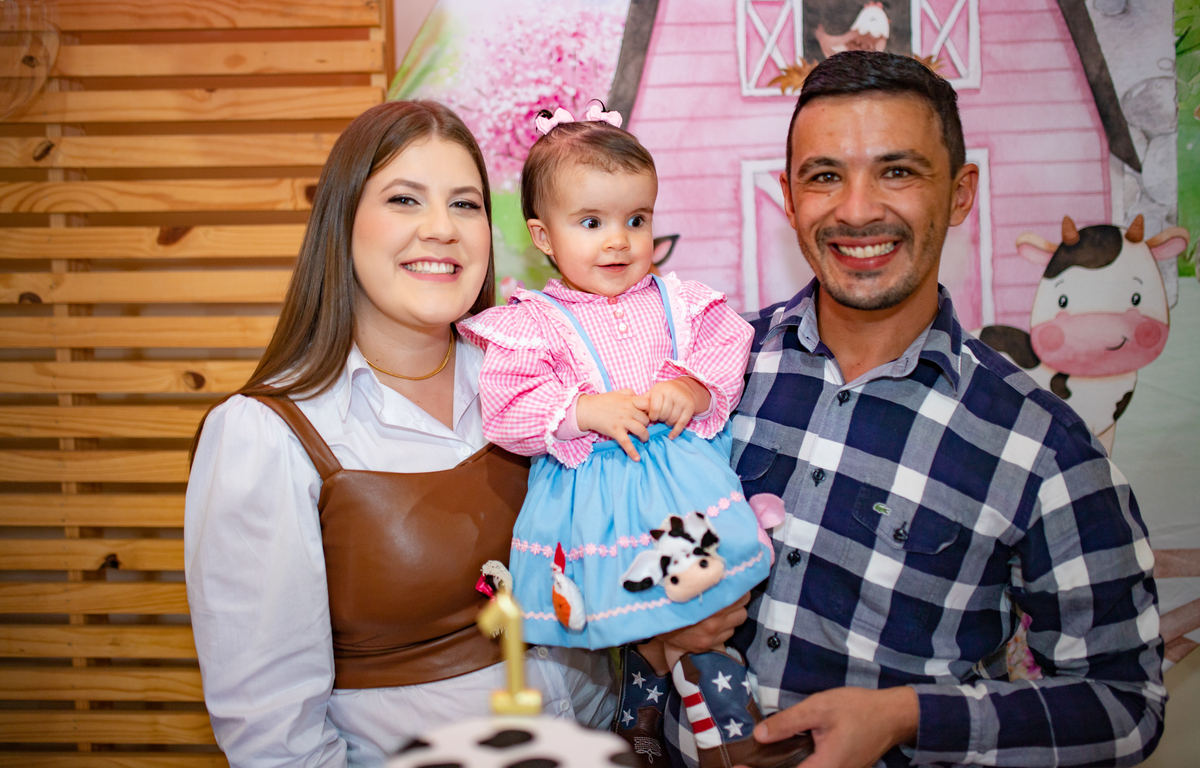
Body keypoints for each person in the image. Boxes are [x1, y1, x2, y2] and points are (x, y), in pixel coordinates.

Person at [665, 50, 1166, 768]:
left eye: (897, 172)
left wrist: (909, 718)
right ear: (789, 197)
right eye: (824, 176)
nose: (857, 210)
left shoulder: (1045, 446)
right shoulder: (707, 374)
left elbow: (1124, 704)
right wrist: (649, 633)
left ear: (960, 194)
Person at [185, 100, 615, 768]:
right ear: (343, 222)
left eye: (465, 204)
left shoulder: (552, 386)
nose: (441, 229)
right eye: (404, 199)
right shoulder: (265, 434)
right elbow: (274, 739)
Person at [457, 101, 812, 768]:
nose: (619, 241)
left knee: (704, 609)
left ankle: (714, 727)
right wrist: (583, 411)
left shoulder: (679, 302)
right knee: (637, 616)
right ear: (543, 236)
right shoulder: (536, 322)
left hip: (680, 490)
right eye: (591, 223)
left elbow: (726, 348)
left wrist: (693, 389)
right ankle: (654, 716)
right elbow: (507, 411)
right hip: (596, 505)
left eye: (636, 220)